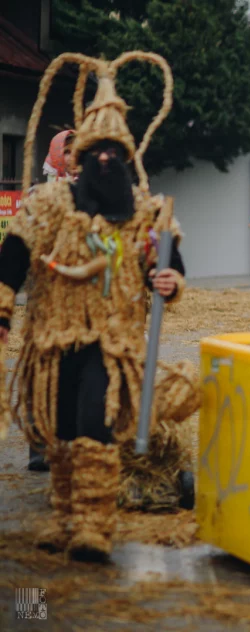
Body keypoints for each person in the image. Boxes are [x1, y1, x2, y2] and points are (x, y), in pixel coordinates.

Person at [0, 51, 199, 559]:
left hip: (112, 342)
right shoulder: (49, 205)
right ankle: (65, 518)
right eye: (96, 152)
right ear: (80, 157)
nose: (105, 161)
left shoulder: (149, 215)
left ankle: (94, 526)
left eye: (115, 151)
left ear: (128, 156)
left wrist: (169, 280)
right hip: (52, 337)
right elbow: (14, 255)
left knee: (94, 420)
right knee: (60, 429)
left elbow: (168, 269)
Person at [28, 129, 79, 472]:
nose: (76, 157)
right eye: (70, 151)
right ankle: (39, 445)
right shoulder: (39, 194)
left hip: (85, 301)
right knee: (42, 370)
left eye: (81, 151)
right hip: (48, 298)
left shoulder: (98, 192)